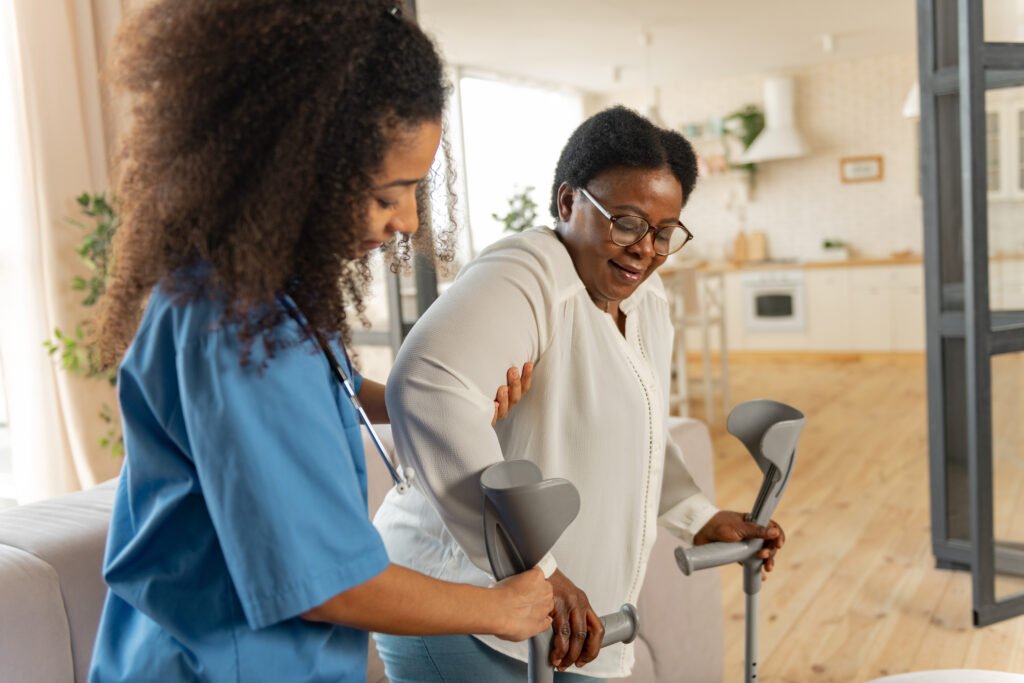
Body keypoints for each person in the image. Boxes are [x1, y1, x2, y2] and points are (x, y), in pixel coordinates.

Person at [87, 2, 553, 681]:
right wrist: (499, 608)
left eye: (417, 190)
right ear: (302, 168)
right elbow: (329, 583)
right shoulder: (238, 325)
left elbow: (326, 392)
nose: (408, 220)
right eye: (388, 194)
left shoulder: (268, 291)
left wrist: (438, 398)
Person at [373, 106, 786, 682]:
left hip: (565, 625)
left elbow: (636, 434)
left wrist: (698, 516)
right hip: (468, 614)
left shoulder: (646, 303)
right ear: (569, 203)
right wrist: (535, 569)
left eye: (665, 232)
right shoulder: (527, 272)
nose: (645, 248)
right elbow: (425, 386)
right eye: (626, 221)